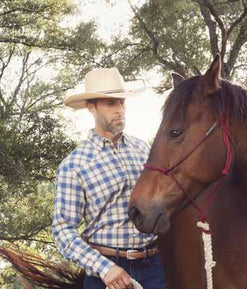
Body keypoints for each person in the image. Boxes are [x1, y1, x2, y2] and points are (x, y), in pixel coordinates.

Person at [52, 68, 166, 289]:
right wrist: (105, 268)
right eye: (110, 104)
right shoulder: (74, 165)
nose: (120, 110)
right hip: (106, 273)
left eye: (122, 102)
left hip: (155, 267)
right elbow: (62, 229)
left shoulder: (143, 149)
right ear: (91, 107)